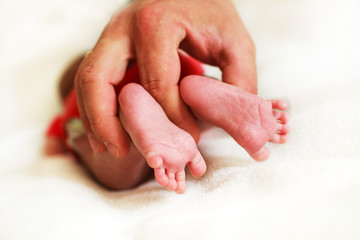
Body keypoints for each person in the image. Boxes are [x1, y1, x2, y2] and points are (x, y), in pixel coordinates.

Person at [45, 53, 289, 194]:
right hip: (166, 72)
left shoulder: (78, 100)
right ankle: (199, 88)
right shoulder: (123, 56)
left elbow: (53, 143)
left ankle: (132, 122)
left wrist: (57, 148)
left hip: (111, 107)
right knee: (184, 104)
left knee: (111, 162)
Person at [74, 0, 259, 160]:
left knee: (108, 148)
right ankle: (203, 91)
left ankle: (139, 129)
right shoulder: (139, 46)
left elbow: (56, 131)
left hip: (129, 97)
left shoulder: (84, 94)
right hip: (177, 66)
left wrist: (54, 143)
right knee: (191, 101)